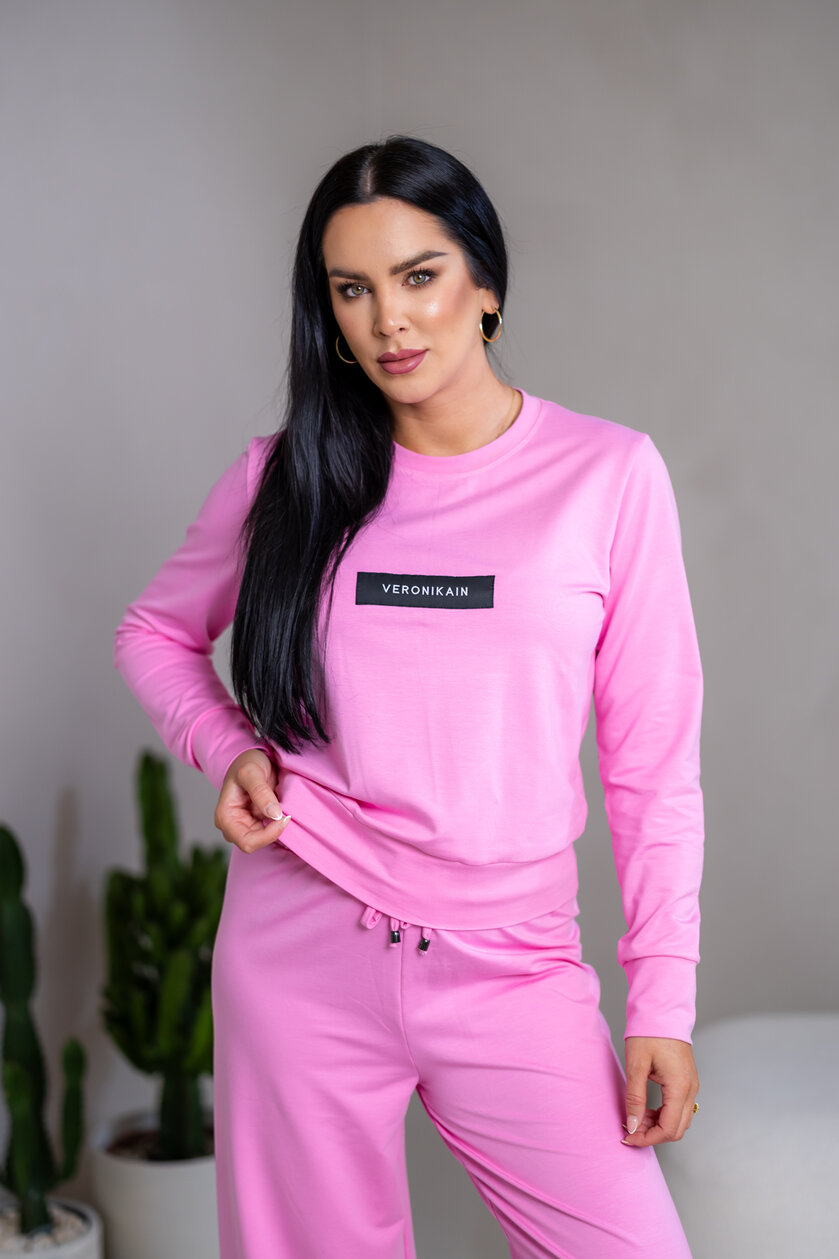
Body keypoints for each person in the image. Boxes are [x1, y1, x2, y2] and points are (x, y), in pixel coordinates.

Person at [113, 134, 704, 1258]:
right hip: (299, 945)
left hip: (512, 962)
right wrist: (227, 747)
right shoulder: (286, 478)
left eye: (418, 275)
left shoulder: (607, 475)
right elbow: (154, 631)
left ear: (484, 282)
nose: (389, 319)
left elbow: (653, 765)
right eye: (352, 289)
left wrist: (660, 1002)